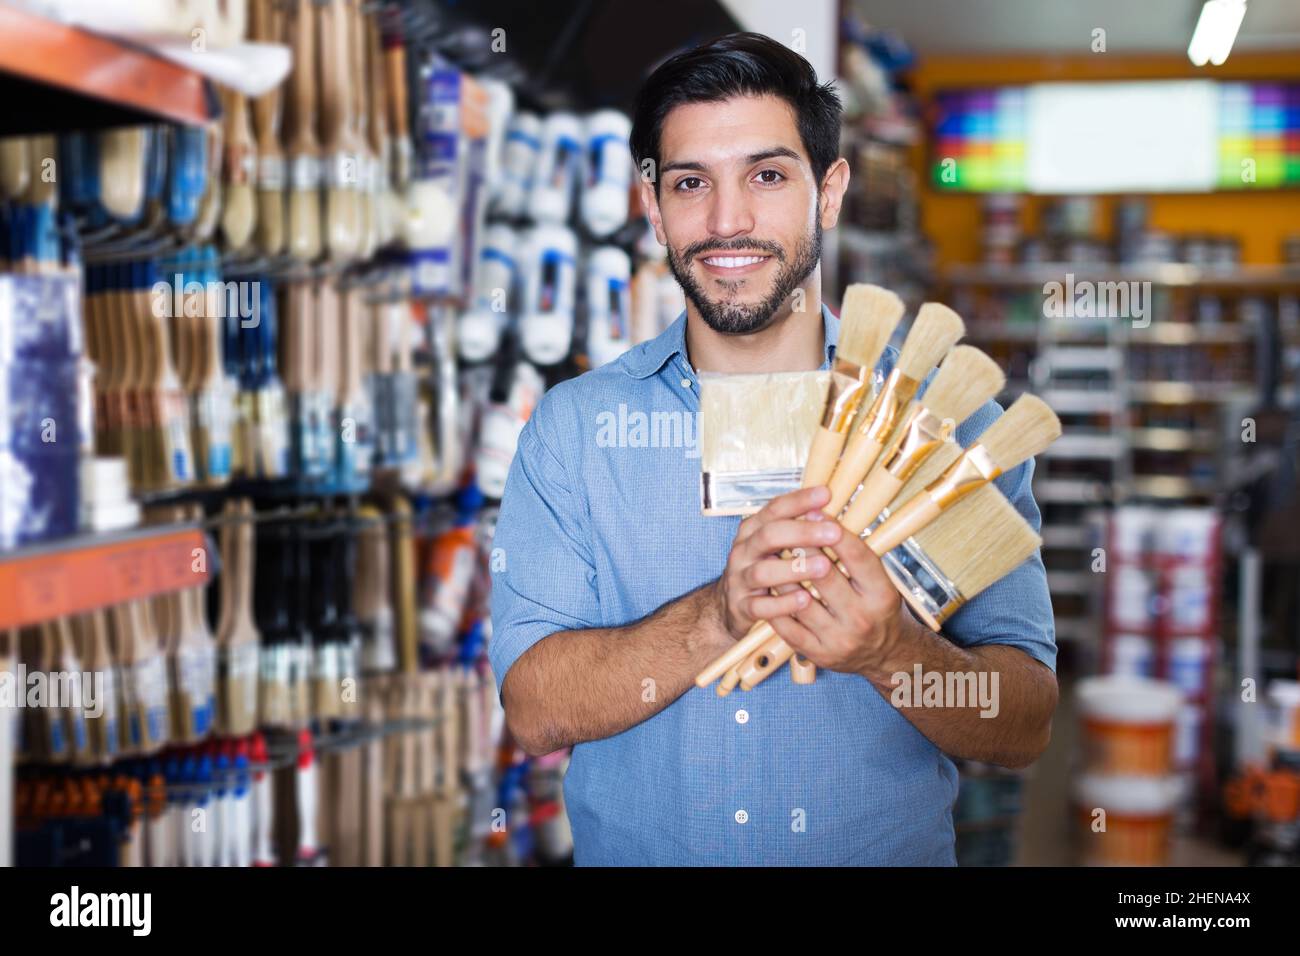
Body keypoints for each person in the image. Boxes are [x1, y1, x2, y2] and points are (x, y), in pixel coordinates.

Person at [488, 32, 1057, 865]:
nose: (728, 221)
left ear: (828, 192)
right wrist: (716, 618)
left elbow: (1026, 725)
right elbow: (535, 712)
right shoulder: (572, 429)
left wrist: (894, 653)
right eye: (691, 183)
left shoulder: (945, 424)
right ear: (652, 207)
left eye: (767, 175)